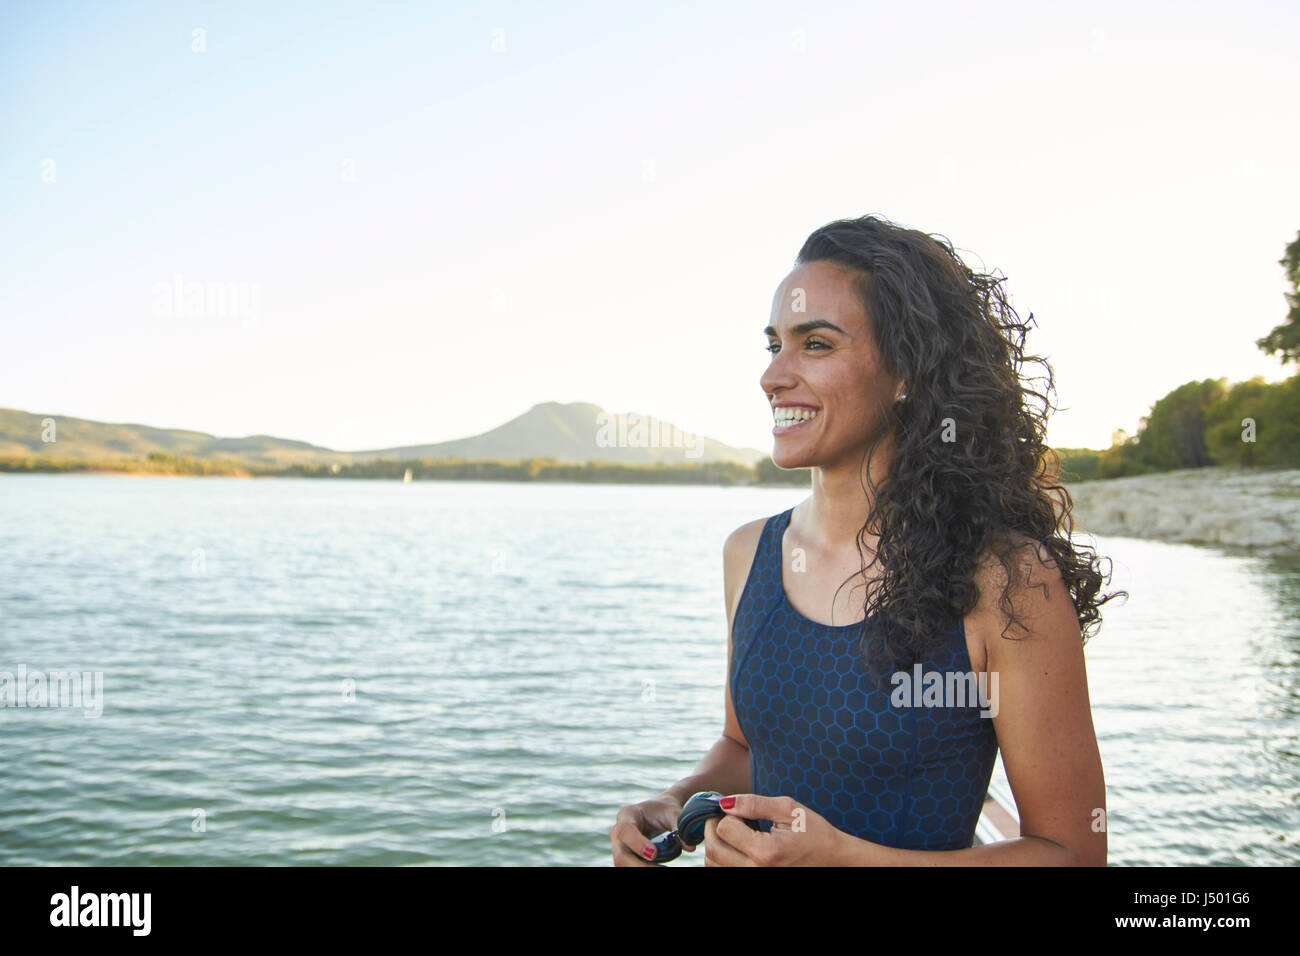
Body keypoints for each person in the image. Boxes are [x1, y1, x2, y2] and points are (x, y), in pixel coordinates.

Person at [610, 214, 1123, 866]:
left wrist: (844, 858)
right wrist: (678, 797)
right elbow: (744, 749)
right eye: (774, 346)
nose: (773, 377)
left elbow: (1072, 853)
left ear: (907, 371)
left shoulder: (1007, 579)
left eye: (816, 345)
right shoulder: (749, 553)